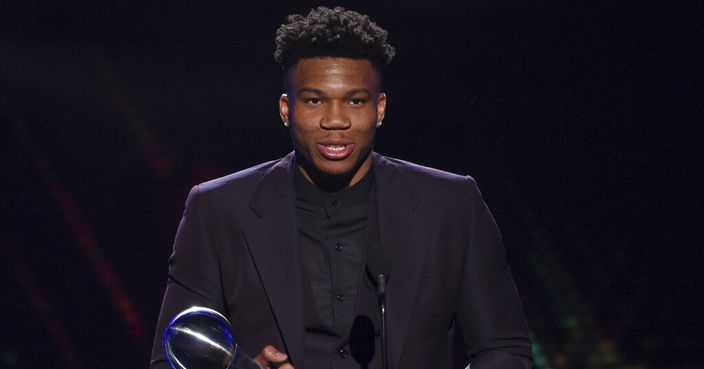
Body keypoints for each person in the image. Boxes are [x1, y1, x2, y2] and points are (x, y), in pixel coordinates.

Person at [150, 6, 532, 369]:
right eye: (315, 100)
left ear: (379, 109)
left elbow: (503, 349)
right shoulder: (217, 209)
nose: (336, 120)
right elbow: (172, 355)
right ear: (287, 109)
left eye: (355, 100)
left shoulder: (451, 205)